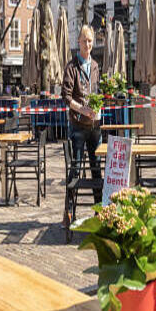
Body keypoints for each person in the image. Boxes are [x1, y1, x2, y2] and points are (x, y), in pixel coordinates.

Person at [61, 25, 102, 202]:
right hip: (78, 125)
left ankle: (100, 208)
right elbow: (66, 96)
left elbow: (97, 91)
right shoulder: (71, 66)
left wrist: (99, 105)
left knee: (96, 167)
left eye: (90, 40)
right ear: (78, 42)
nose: (87, 44)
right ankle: (69, 209)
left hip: (95, 126)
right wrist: (82, 109)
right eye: (84, 40)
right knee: (76, 168)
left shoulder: (95, 65)